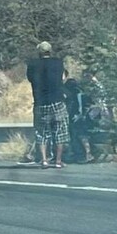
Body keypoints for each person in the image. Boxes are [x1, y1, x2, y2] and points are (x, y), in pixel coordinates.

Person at [26, 41, 69, 169]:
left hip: (40, 102)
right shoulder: (58, 63)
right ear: (50, 51)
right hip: (57, 101)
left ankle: (44, 160)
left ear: (39, 52)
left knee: (42, 132)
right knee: (60, 131)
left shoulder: (32, 65)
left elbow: (30, 79)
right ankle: (58, 160)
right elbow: (62, 78)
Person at [63, 70, 93, 163]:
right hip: (80, 116)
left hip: (75, 116)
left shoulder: (74, 94)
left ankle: (85, 154)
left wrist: (79, 114)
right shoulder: (80, 92)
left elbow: (79, 105)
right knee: (80, 135)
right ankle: (85, 154)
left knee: (77, 135)